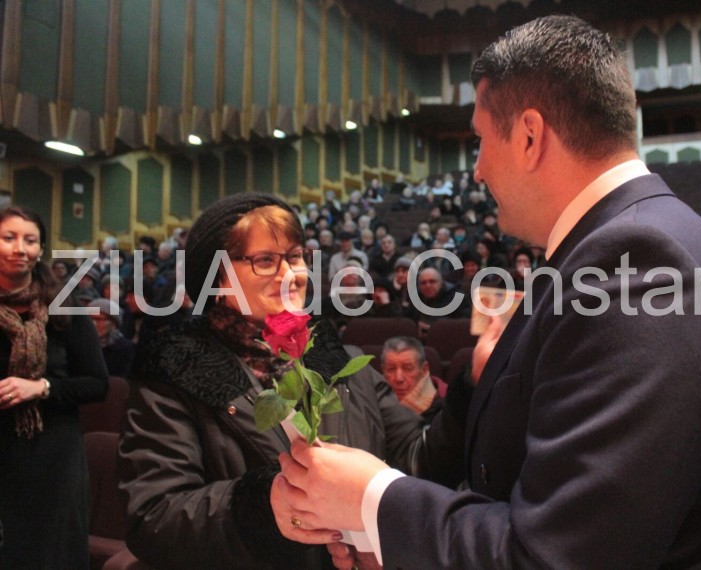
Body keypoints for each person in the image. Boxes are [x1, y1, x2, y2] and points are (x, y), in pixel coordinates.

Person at [277, 15, 701, 569]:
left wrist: (374, 499)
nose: (479, 171)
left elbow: (557, 557)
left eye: (482, 140)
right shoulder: (611, 247)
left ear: (530, 136)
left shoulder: (641, 264)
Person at [117, 193, 469, 570]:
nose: (292, 275)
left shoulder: (337, 359)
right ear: (217, 279)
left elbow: (417, 460)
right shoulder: (175, 372)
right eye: (266, 260)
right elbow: (154, 518)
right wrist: (265, 507)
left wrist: (473, 391)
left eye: (296, 257)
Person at [0, 206, 109, 569]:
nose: (19, 248)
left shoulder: (63, 307)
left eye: (29, 240)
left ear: (40, 249)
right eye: (8, 238)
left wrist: (40, 388)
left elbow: (97, 383)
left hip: (53, 456)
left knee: (52, 555)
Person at [380, 336, 446, 422]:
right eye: (391, 369)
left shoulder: (448, 405)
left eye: (408, 369)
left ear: (424, 369)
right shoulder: (372, 404)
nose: (398, 378)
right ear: (383, 370)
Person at [88, 298, 135, 378]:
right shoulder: (80, 343)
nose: (94, 323)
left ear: (114, 323)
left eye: (99, 319)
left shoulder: (125, 348)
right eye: (90, 319)